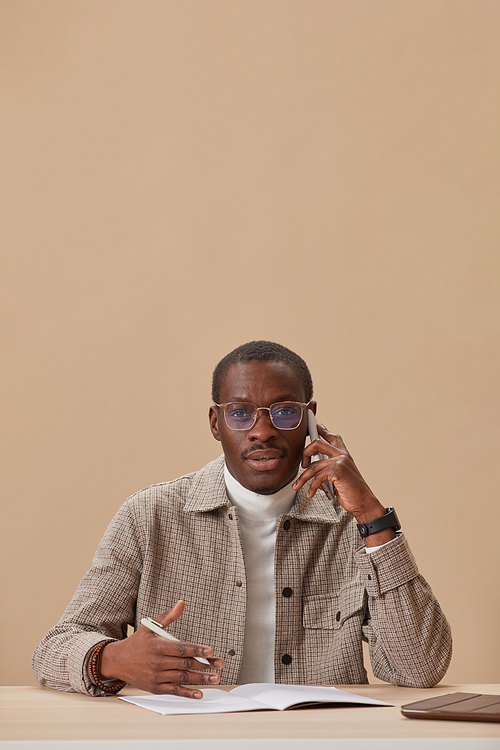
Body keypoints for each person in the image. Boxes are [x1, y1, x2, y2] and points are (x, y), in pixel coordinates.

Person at [33, 341, 452, 698]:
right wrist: (113, 659)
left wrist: (372, 516)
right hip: (188, 739)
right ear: (216, 423)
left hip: (319, 738)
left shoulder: (352, 524)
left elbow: (418, 668)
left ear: (309, 420)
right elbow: (54, 649)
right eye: (240, 412)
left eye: (285, 412)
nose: (262, 430)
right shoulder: (150, 515)